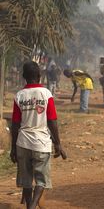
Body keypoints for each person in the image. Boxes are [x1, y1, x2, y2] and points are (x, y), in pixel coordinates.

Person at [10, 61, 67, 209]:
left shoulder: (19, 96)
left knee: (26, 181)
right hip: (41, 144)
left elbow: (15, 124)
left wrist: (13, 149)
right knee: (41, 181)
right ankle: (33, 205)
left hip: (22, 143)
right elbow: (52, 121)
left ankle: (30, 205)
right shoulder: (46, 94)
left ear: (23, 76)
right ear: (39, 76)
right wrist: (58, 143)